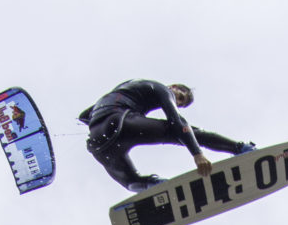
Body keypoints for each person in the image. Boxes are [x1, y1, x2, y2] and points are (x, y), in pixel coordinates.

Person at [79, 79, 254, 192]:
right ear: (174, 87)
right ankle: (241, 148)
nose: (177, 102)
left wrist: (100, 129)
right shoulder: (162, 89)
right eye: (180, 98)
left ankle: (156, 187)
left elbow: (84, 116)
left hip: (98, 145)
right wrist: (197, 154)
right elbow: (176, 121)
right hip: (122, 122)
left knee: (130, 181)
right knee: (187, 131)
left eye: (181, 102)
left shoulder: (122, 89)